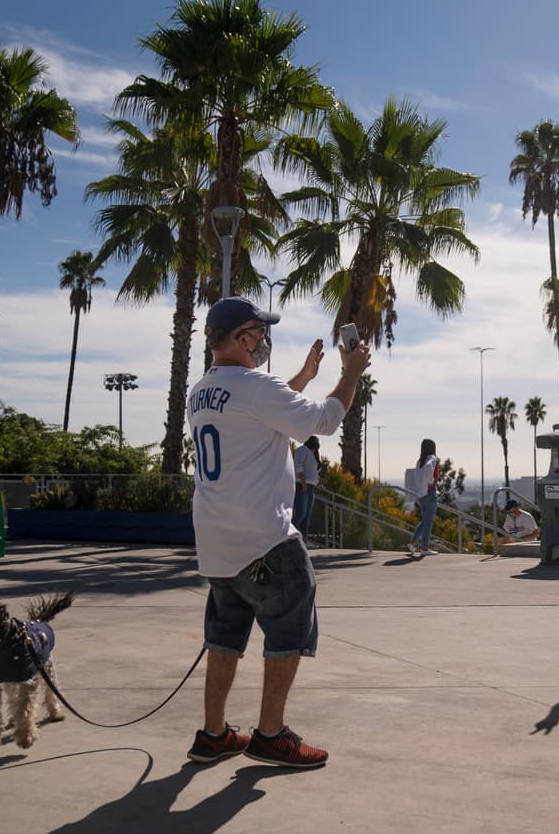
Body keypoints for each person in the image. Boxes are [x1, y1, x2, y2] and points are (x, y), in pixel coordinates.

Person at [185, 297, 370, 768]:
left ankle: (213, 734)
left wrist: (304, 378)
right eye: (260, 332)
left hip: (216, 541)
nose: (265, 340)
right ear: (244, 338)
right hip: (263, 536)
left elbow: (257, 417)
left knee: (225, 635)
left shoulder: (201, 391)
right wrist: (351, 372)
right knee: (291, 619)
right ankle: (270, 735)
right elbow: (324, 422)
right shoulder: (254, 386)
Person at [406, 439, 440, 558]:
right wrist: (430, 482)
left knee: (425, 520)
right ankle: (425, 548)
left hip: (421, 495)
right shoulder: (432, 458)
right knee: (428, 521)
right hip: (430, 493)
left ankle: (412, 543)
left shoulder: (420, 461)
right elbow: (429, 469)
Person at [291, 436, 320, 539]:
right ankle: (287, 537)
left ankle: (304, 540)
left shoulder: (312, 454)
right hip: (302, 485)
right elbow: (298, 465)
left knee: (306, 517)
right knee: (301, 514)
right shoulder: (303, 450)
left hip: (310, 487)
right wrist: (303, 483)